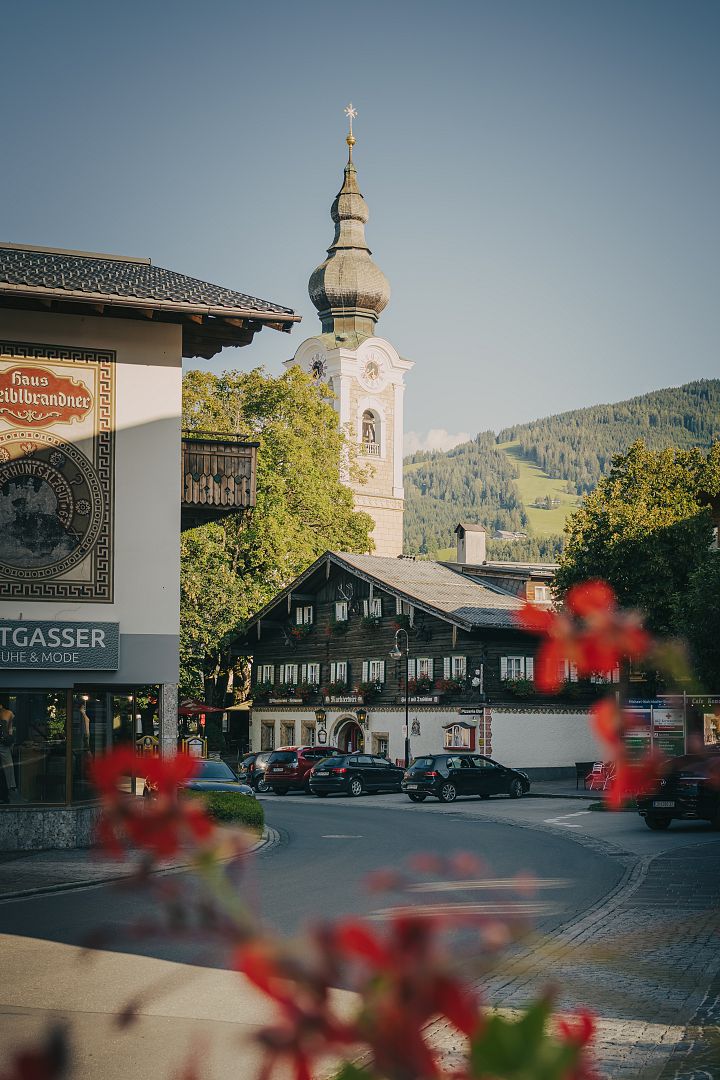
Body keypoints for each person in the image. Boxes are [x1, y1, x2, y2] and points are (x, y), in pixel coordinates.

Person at [0, 703, 23, 803]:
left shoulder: (8, 713)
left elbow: (10, 730)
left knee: (8, 767)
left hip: (4, 743)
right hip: (4, 743)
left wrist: (11, 743)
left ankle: (11, 789)